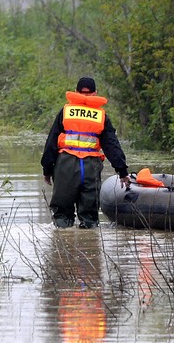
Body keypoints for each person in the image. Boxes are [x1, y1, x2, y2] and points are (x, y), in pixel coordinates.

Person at [41, 76, 130, 229]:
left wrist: (47, 169)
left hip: (65, 166)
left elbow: (52, 142)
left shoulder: (66, 112)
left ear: (76, 92)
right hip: (90, 168)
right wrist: (122, 170)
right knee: (90, 218)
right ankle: (89, 247)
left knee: (62, 217)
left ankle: (62, 247)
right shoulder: (101, 116)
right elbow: (111, 145)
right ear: (95, 93)